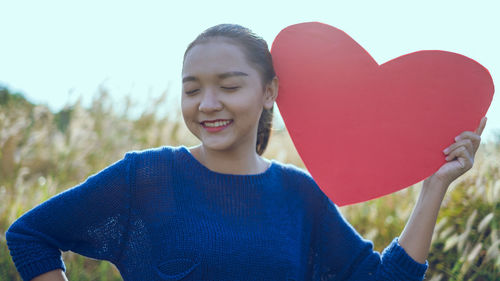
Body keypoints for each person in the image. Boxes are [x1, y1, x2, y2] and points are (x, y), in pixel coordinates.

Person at [5, 23, 487, 281]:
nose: (208, 103)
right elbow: (30, 236)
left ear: (269, 92)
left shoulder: (300, 196)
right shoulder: (145, 177)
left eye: (229, 86)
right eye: (192, 89)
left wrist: (433, 187)